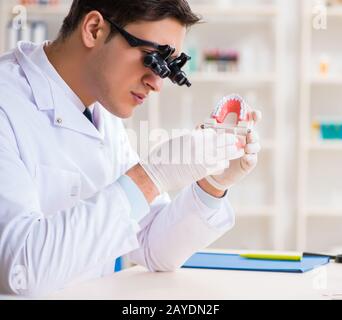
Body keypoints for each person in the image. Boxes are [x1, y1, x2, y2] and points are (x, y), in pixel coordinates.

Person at [0, 0, 261, 296]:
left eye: (169, 67)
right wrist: (149, 177)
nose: (157, 84)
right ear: (94, 29)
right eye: (152, 58)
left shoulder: (100, 108)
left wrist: (212, 184)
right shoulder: (6, 106)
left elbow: (153, 247)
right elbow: (20, 271)